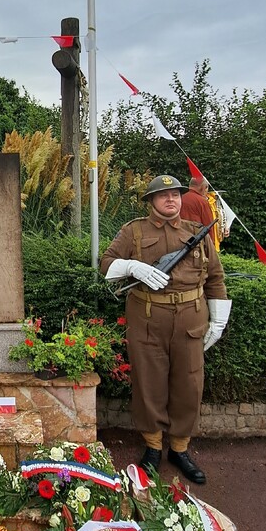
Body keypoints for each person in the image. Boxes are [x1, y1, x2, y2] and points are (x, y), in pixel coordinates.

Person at [100, 174, 232, 485]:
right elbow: (106, 264)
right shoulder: (133, 231)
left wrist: (219, 319)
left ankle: (180, 449)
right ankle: (152, 448)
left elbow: (215, 278)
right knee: (149, 384)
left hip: (190, 318)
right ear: (151, 202)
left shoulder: (197, 233)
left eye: (175, 194)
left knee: (189, 385)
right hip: (147, 317)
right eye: (163, 195)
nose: (171, 199)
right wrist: (132, 266)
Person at [180, 176, 219, 247]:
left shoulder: (180, 198)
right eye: (206, 188)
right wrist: (211, 245)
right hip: (197, 242)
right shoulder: (202, 202)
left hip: (180, 239)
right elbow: (208, 225)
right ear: (203, 187)